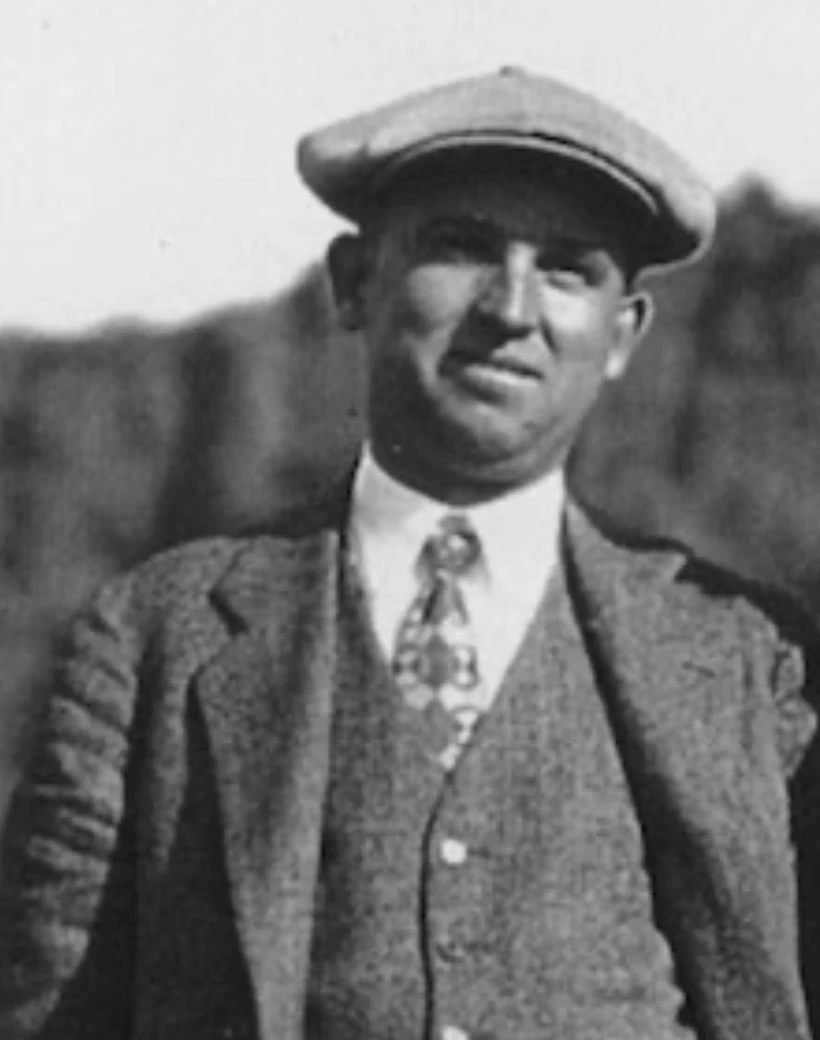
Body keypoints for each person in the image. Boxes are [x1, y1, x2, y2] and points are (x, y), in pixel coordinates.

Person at [1, 66, 818, 1040]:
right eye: (461, 247)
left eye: (569, 269)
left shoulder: (754, 660)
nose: (511, 309)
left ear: (621, 335)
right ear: (355, 281)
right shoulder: (149, 639)